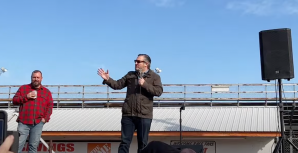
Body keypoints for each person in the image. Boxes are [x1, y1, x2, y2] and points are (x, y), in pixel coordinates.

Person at [97, 54, 163, 153]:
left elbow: (158, 91)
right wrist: (107, 79)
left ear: (146, 64)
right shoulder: (130, 75)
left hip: (144, 115)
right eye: (135, 61)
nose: (136, 63)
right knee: (124, 143)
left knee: (143, 144)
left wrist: (145, 84)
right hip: (128, 115)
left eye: (138, 61)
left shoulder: (154, 77)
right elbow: (117, 85)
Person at [12, 70, 54, 153]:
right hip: (23, 122)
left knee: (33, 147)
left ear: (41, 79)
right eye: (34, 77)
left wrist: (45, 119)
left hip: (38, 123)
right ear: (31, 78)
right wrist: (26, 96)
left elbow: (50, 106)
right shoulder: (23, 88)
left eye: (38, 77)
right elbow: (14, 100)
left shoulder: (46, 92)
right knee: (18, 146)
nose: (36, 79)